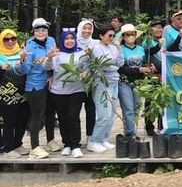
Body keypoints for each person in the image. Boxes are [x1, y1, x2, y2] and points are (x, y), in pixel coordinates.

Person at [17, 18, 58, 158]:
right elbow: (25, 70)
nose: (41, 32)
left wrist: (52, 75)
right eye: (38, 30)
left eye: (44, 29)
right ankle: (35, 147)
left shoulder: (51, 41)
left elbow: (55, 61)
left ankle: (50, 140)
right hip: (34, 85)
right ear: (33, 32)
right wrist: (22, 60)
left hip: (50, 83)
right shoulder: (29, 47)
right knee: (37, 116)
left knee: (51, 114)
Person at [45, 30, 86, 158]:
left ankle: (75, 145)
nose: (69, 41)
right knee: (62, 118)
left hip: (77, 90)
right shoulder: (57, 54)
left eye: (71, 38)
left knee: (73, 116)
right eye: (66, 39)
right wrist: (50, 58)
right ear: (62, 41)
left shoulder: (81, 53)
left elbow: (87, 67)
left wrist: (86, 73)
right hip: (58, 91)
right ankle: (67, 145)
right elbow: (46, 68)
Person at [86, 24, 123, 153]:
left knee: (112, 114)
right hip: (102, 82)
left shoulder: (113, 47)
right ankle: (93, 140)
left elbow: (120, 63)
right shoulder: (96, 47)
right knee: (104, 114)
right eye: (109, 35)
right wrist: (115, 62)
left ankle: (103, 139)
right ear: (101, 36)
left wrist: (119, 50)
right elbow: (105, 64)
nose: (111, 38)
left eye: (113, 36)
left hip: (114, 82)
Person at [118, 24, 158, 140]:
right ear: (123, 36)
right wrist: (138, 69)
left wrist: (149, 67)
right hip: (124, 82)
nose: (130, 36)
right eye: (127, 34)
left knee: (135, 108)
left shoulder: (141, 49)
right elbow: (120, 67)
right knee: (128, 109)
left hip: (139, 83)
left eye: (132, 34)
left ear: (136, 36)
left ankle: (132, 131)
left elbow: (145, 62)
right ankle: (131, 134)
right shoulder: (120, 49)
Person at [0, 29, 30, 158]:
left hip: (23, 93)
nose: (10, 41)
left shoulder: (22, 53)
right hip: (5, 95)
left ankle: (17, 144)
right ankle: (8, 148)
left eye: (13, 38)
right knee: (9, 122)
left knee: (22, 120)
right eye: (6, 39)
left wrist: (24, 60)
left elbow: (28, 70)